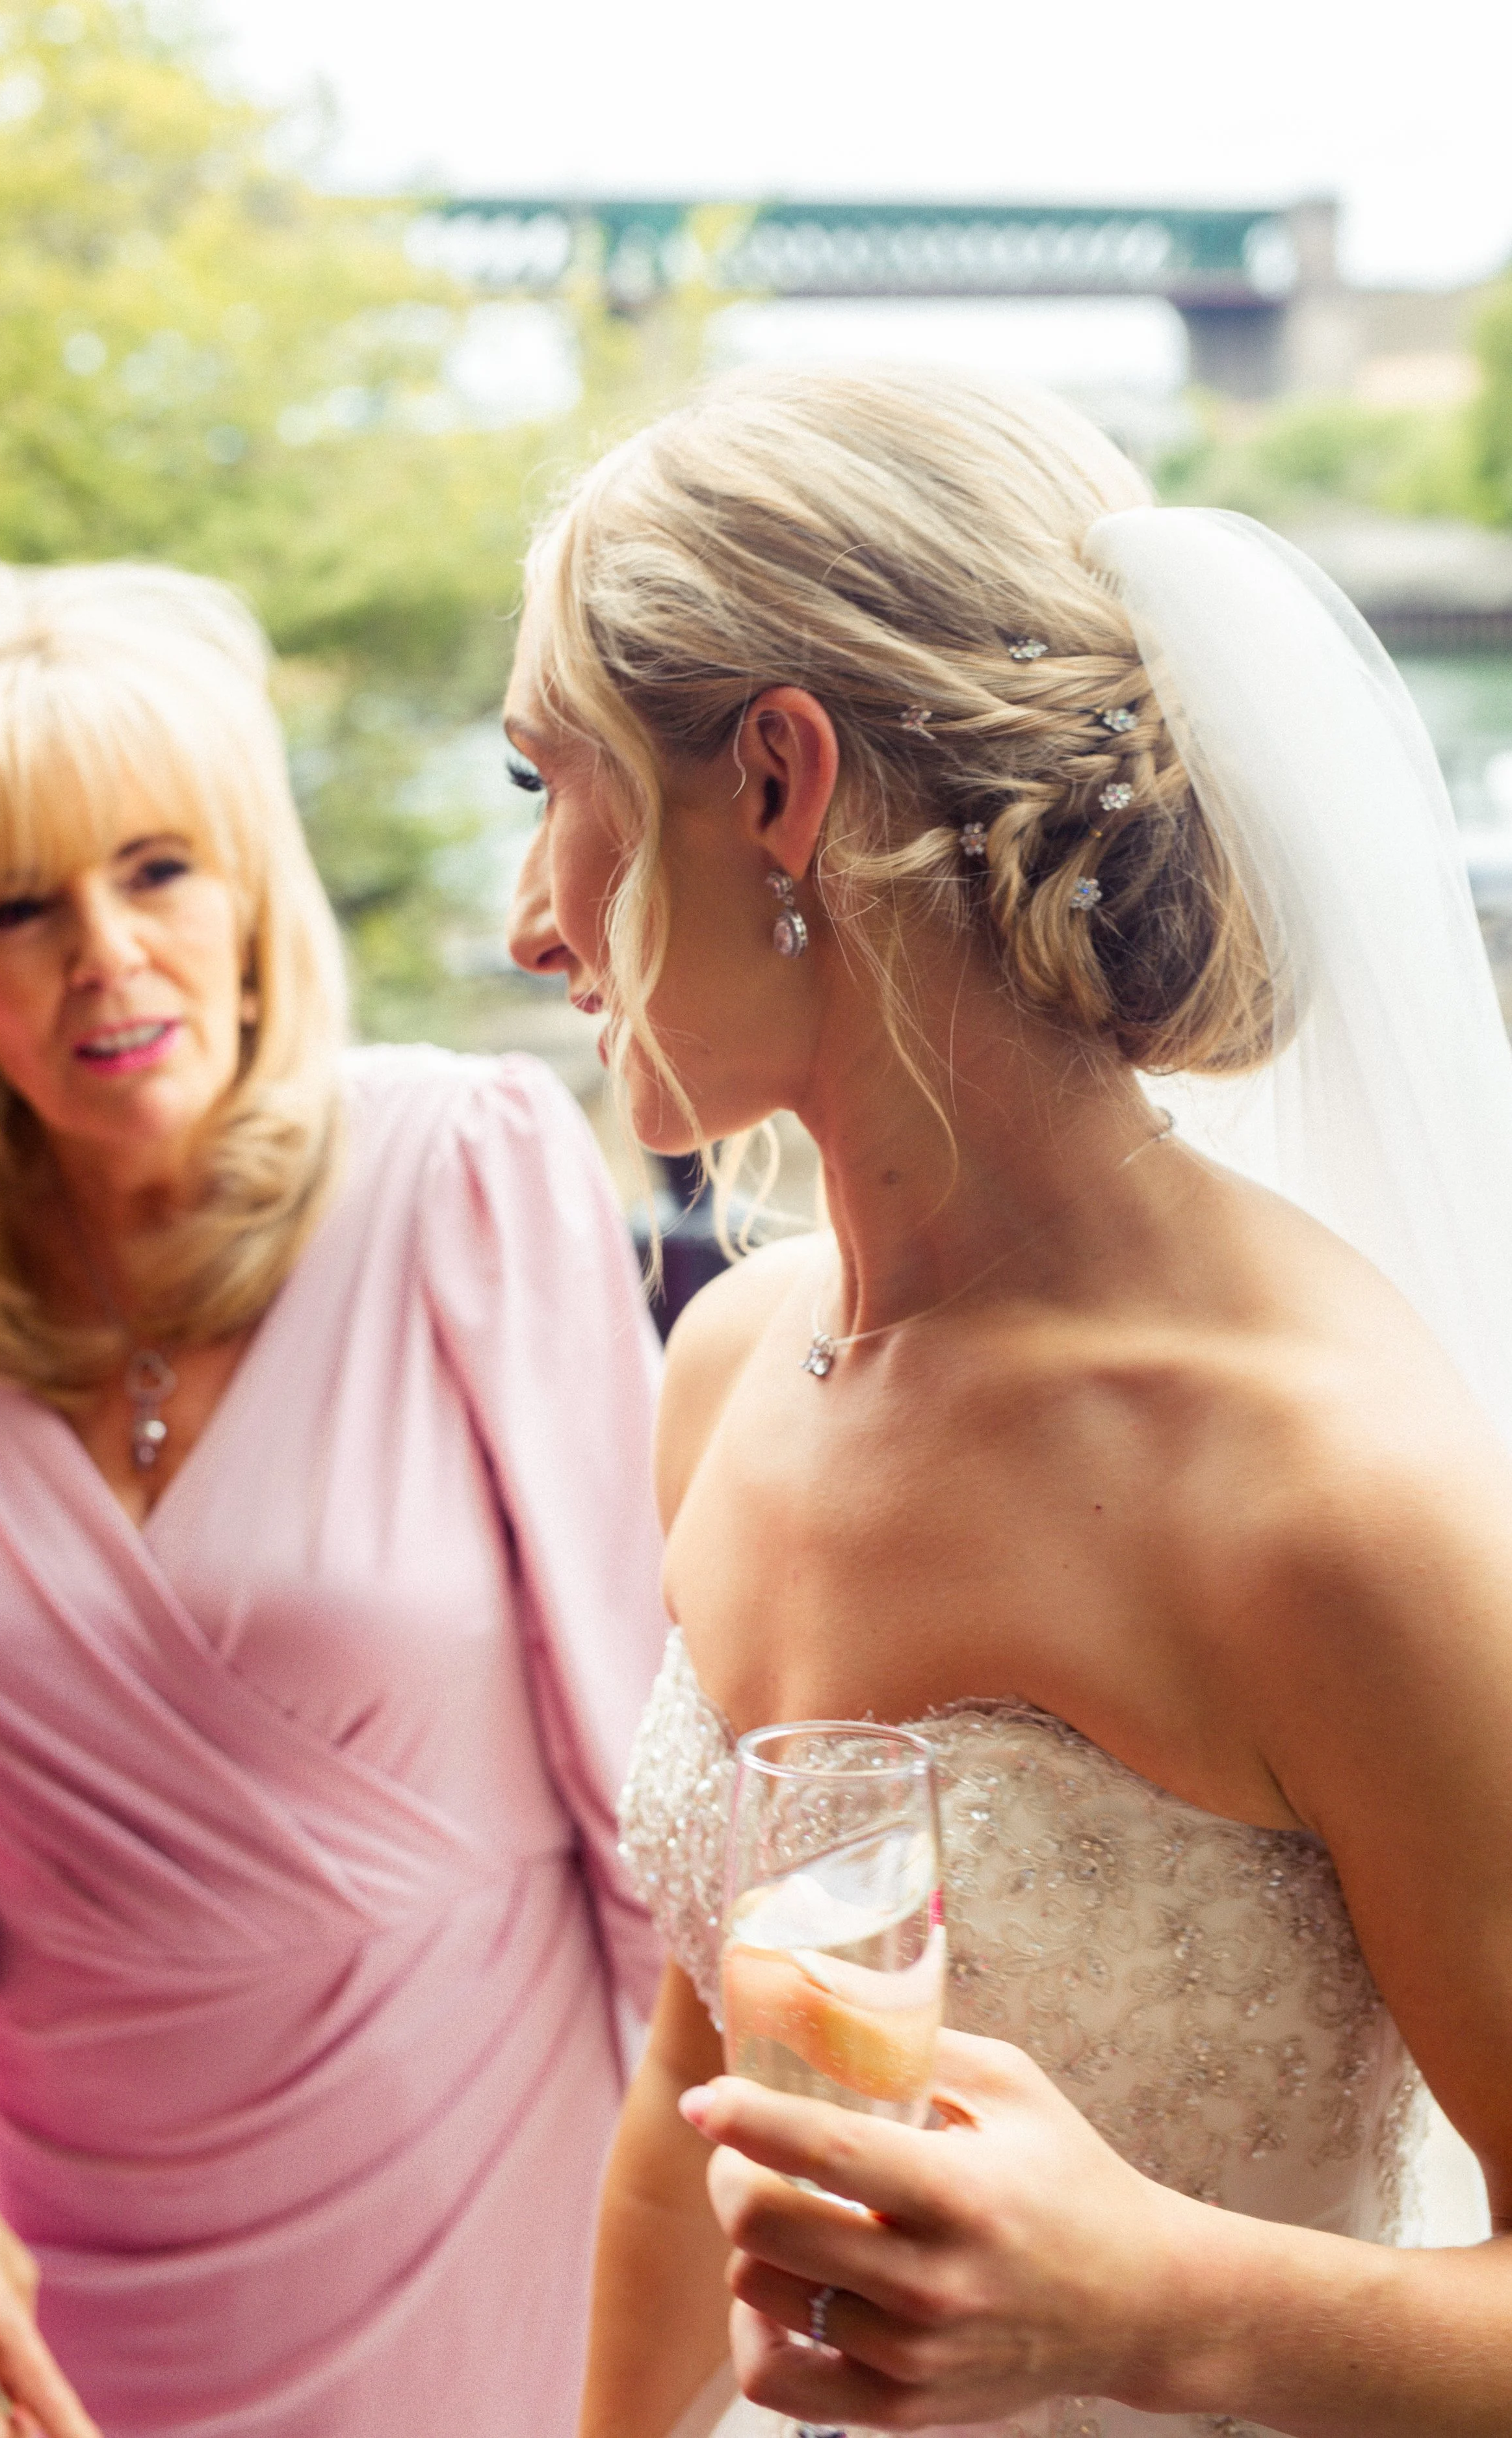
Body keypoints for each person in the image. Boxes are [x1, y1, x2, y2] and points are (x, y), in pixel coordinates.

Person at [503, 364, 1512, 2438]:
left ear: (777, 782)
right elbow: (689, 2130)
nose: (531, 922)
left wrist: (1157, 2308)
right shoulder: (725, 1368)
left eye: (550, 785)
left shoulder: (1319, 1492)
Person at [0, 560, 667, 2438]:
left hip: (501, 2203)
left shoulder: (466, 1168)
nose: (107, 957)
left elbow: (653, 1766)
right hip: (78, 2290)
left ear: (248, 896)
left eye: (157, 868)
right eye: (19, 905)